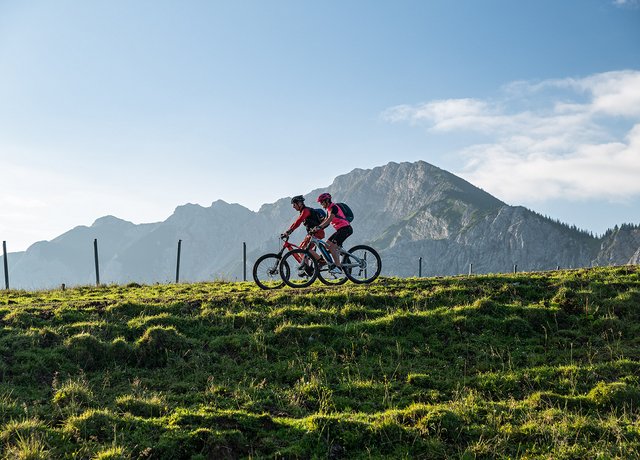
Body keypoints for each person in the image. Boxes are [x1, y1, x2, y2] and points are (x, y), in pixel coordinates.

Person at [281, 195, 325, 271]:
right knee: (301, 249)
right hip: (311, 234)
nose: (293, 207)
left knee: (305, 250)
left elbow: (298, 222)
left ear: (299, 203)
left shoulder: (306, 211)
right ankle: (307, 269)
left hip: (317, 233)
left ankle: (321, 261)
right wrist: (287, 231)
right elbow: (295, 222)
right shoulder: (303, 211)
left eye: (294, 205)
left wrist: (289, 232)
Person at [313, 193, 353, 274]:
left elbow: (329, 220)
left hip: (345, 229)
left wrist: (319, 227)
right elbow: (325, 222)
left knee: (332, 248)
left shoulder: (333, 207)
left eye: (322, 202)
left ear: (327, 201)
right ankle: (338, 255)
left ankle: (338, 267)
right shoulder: (328, 210)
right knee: (326, 245)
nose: (321, 204)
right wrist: (316, 228)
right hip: (340, 230)